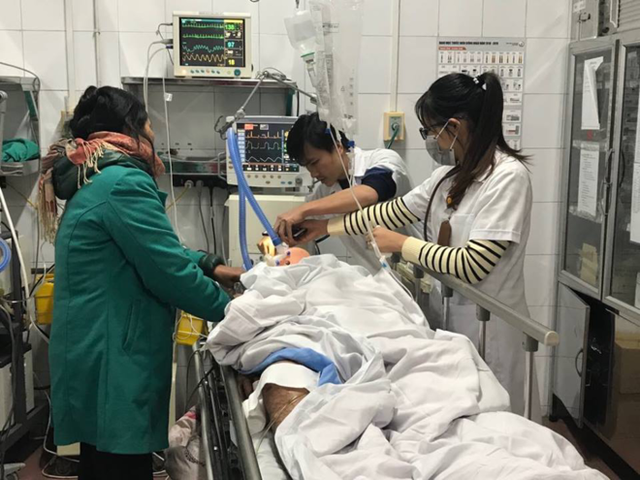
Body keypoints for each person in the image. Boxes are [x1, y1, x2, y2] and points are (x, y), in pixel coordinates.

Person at [297, 72, 537, 417]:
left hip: (493, 332)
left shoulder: (507, 177)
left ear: (454, 127)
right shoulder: (447, 178)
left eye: (429, 131)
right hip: (454, 323)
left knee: (499, 424)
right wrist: (324, 227)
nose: (430, 141)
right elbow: (392, 211)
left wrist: (402, 244)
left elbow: (473, 264)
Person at [38, 86, 242, 480]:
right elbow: (167, 271)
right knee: (121, 467)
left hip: (95, 344)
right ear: (130, 128)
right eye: (148, 124)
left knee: (101, 462)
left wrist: (211, 266)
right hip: (115, 354)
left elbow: (151, 248)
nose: (153, 133)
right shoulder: (122, 182)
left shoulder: (96, 176)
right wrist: (236, 312)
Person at [274, 112, 420, 273]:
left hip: (418, 274)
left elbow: (368, 193)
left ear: (338, 147)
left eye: (315, 162)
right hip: (377, 281)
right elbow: (296, 228)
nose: (313, 173)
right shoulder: (325, 192)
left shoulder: (383, 160)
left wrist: (303, 209)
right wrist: (276, 240)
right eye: (307, 167)